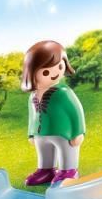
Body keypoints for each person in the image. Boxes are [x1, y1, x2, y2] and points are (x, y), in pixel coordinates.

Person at [21, 40, 86, 186]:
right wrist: (31, 133)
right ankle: (46, 170)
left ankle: (68, 171)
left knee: (66, 151)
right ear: (31, 73)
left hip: (64, 133)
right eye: (46, 72)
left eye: (60, 66)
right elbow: (33, 116)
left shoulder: (64, 93)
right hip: (40, 133)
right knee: (44, 153)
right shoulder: (33, 96)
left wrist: (78, 132)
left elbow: (76, 112)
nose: (55, 73)